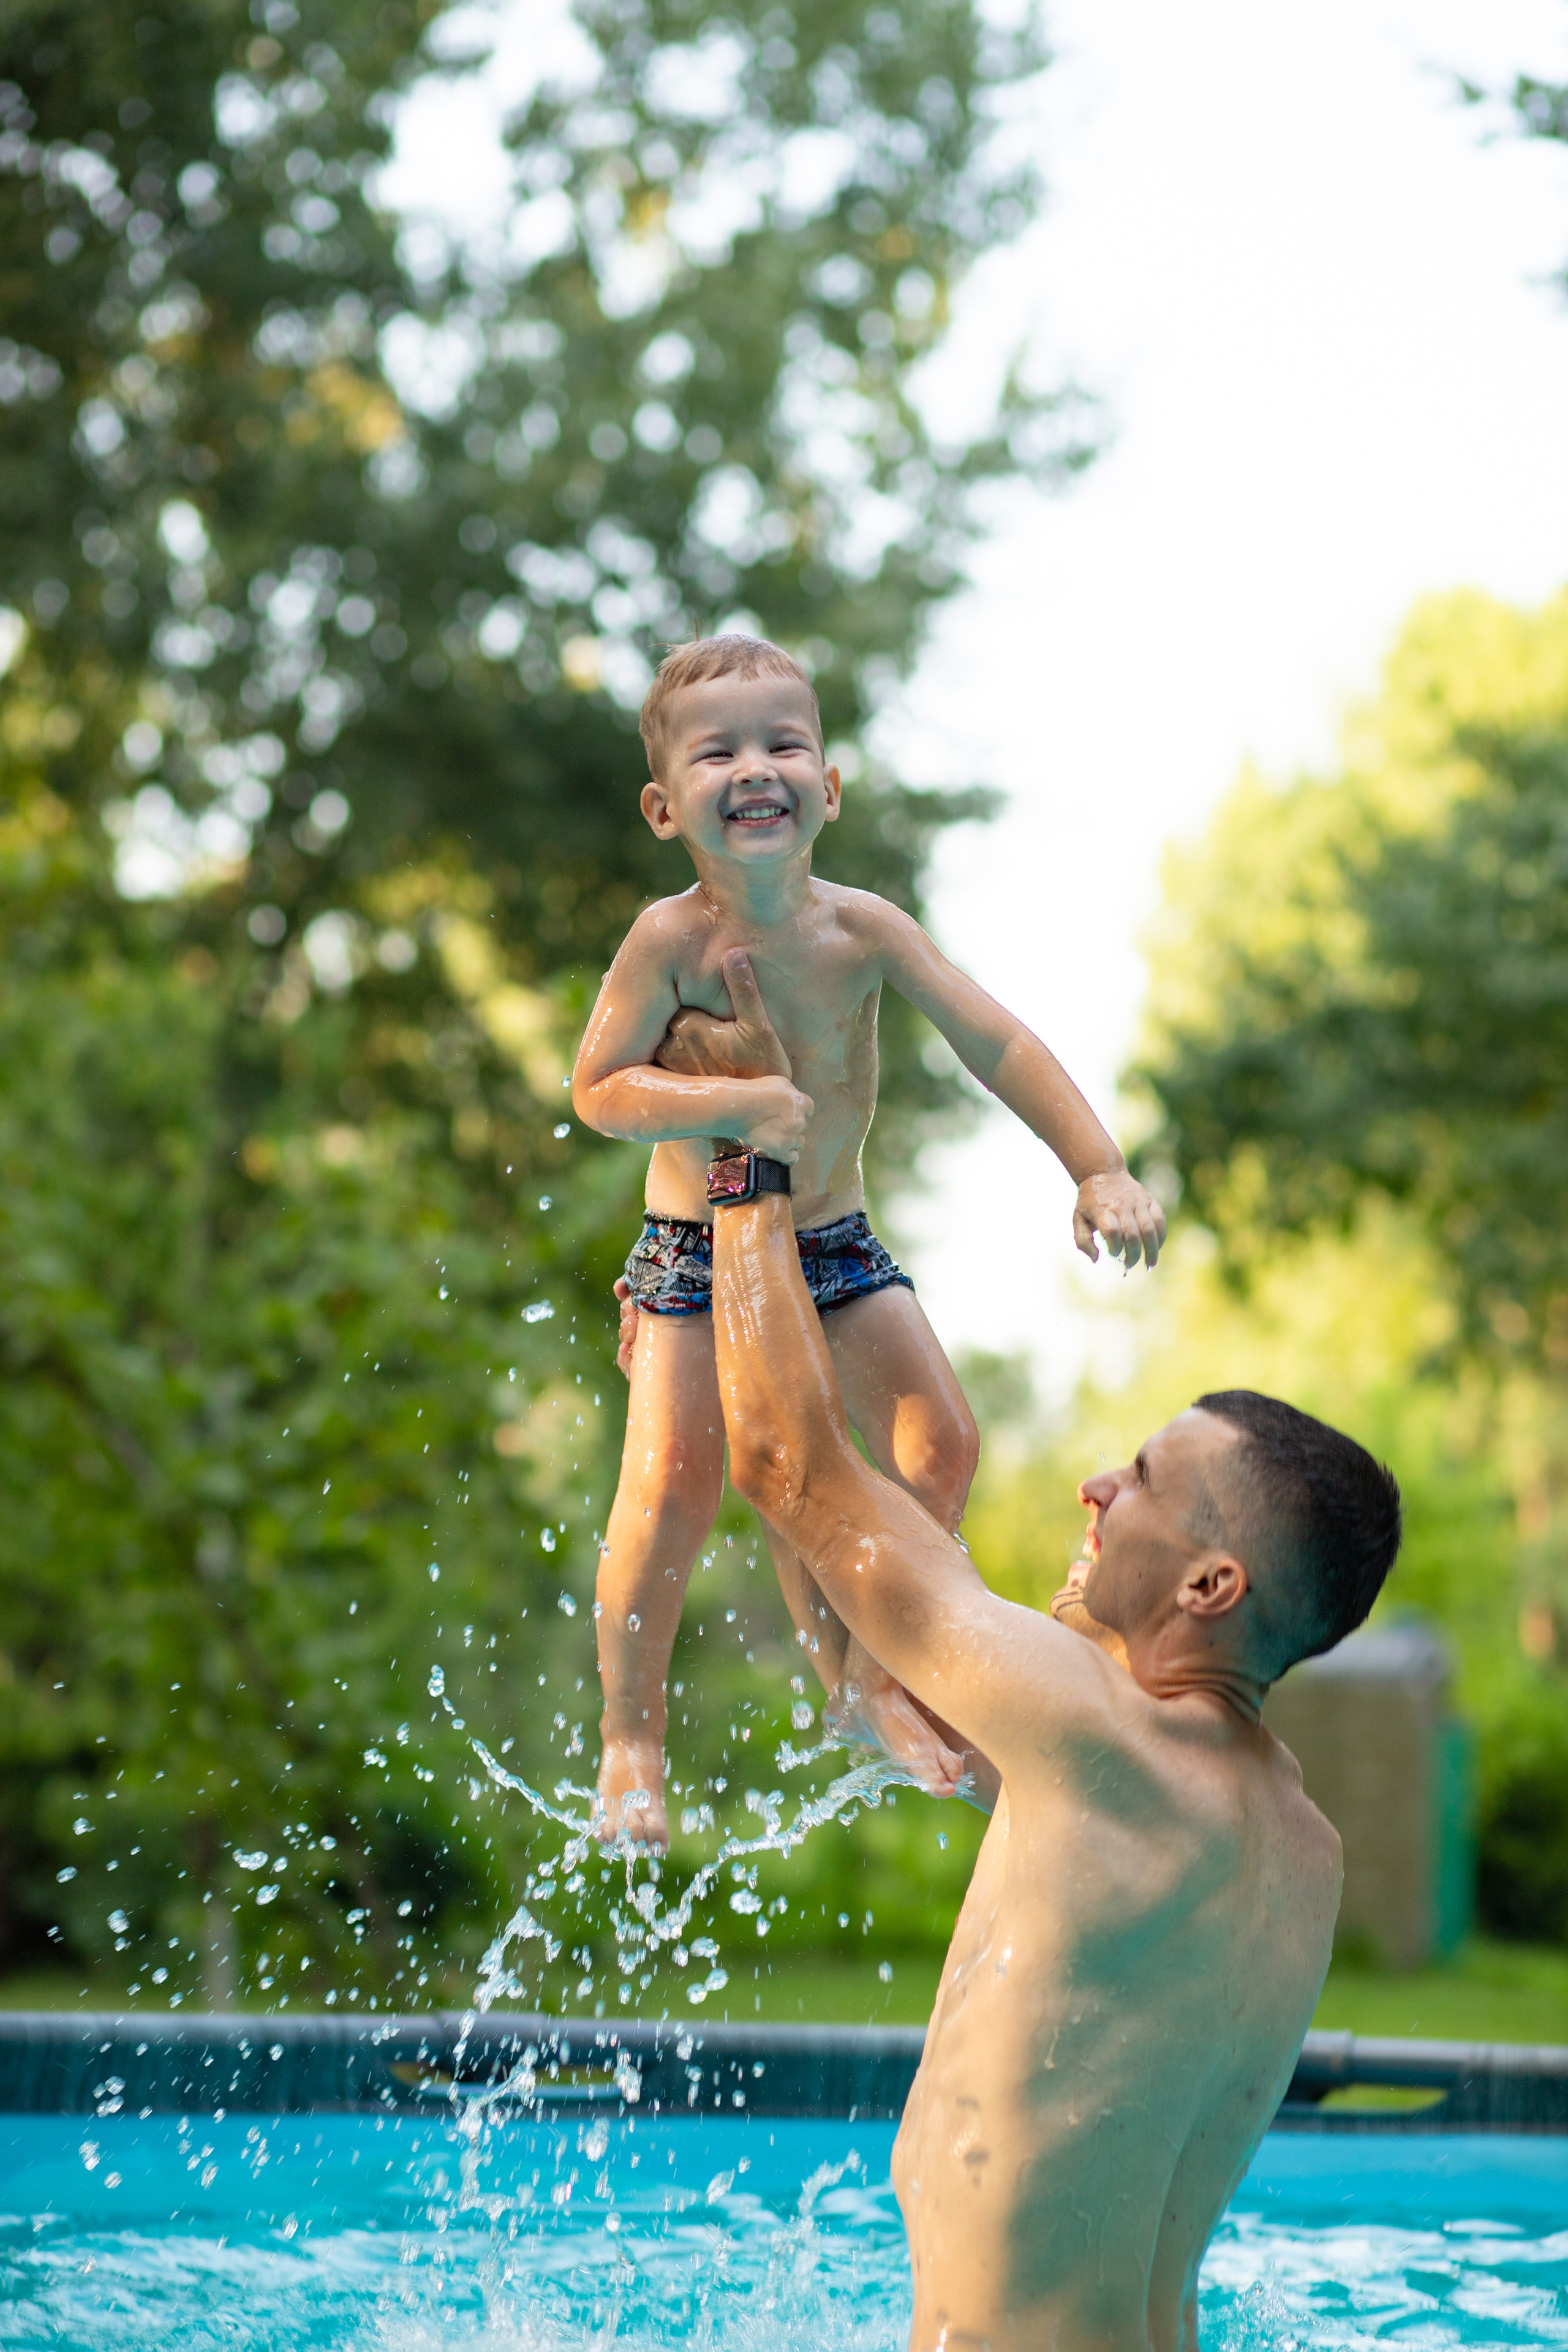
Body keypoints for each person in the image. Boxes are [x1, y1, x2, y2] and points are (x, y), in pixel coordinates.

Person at [675, 972, 1402, 2352]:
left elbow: (785, 1465)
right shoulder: (1292, 1848)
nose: (1089, 1486)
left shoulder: (1090, 1741)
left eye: (1134, 1480)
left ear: (1207, 1583)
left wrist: (741, 1155)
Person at [572, 631, 1166, 1845]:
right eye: (718, 751)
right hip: (698, 1262)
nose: (756, 767)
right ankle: (630, 1740)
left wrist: (1094, 1164)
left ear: (826, 788)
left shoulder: (862, 932)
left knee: (934, 1444)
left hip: (833, 1241)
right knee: (670, 1493)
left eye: (783, 743)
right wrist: (727, 1103)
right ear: (662, 804)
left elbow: (992, 1039)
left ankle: (858, 1676)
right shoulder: (665, 943)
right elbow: (598, 1088)